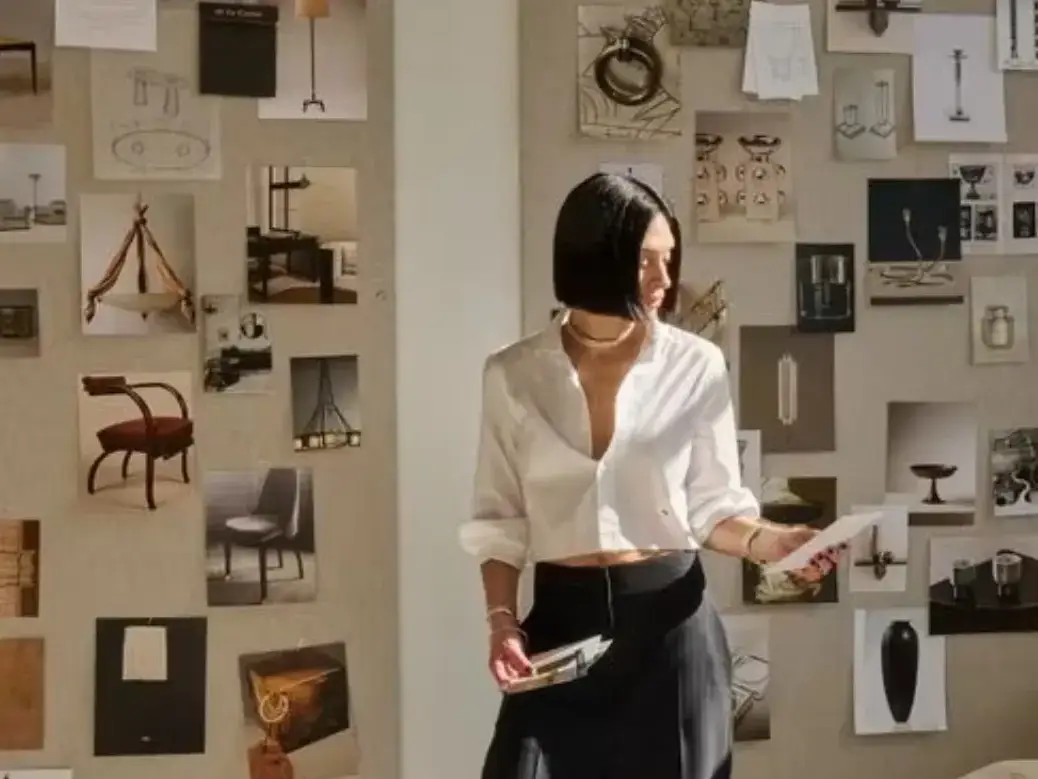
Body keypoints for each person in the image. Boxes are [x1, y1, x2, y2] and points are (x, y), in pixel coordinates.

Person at [459, 172, 844, 779]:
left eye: (669, 258)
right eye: (645, 260)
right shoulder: (512, 374)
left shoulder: (697, 366)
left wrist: (776, 544)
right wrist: (502, 623)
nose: (664, 279)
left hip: (672, 632)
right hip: (560, 630)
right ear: (593, 254)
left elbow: (713, 510)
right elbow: (499, 521)